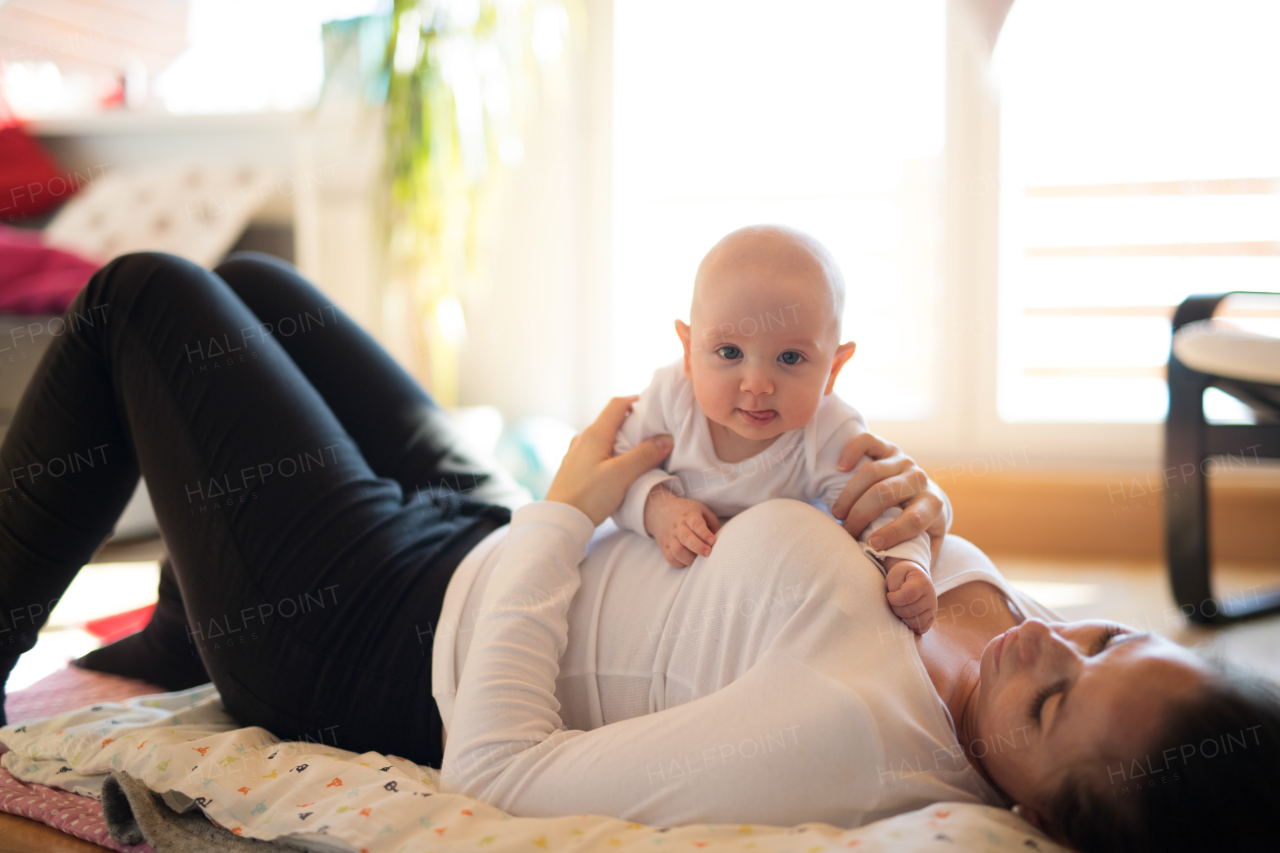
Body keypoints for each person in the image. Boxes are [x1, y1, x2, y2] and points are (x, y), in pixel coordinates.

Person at [0, 253, 1274, 853]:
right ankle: (181, 628)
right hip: (506, 531)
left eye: (1052, 697)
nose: (1041, 637)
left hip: (376, 627)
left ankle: (217, 621)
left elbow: (496, 764)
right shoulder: (1014, 635)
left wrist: (562, 513)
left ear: (1038, 809)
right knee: (259, 286)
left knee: (145, 300)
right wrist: (898, 503)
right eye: (1105, 638)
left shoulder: (844, 737)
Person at [611, 224, 937, 633]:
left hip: (760, 599)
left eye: (790, 358)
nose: (757, 384)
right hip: (657, 600)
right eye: (729, 352)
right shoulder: (672, 397)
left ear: (833, 370)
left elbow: (883, 512)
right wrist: (657, 508)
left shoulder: (832, 433)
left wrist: (907, 565)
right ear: (689, 352)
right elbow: (613, 471)